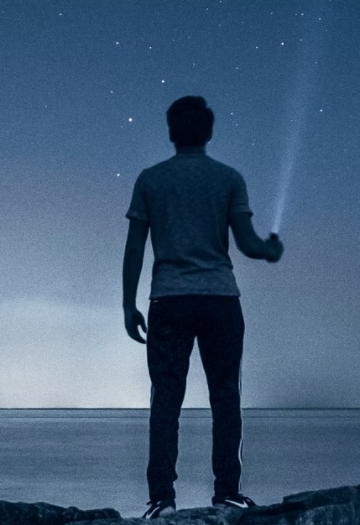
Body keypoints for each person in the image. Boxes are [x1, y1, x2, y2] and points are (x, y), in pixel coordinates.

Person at [122, 96, 283, 518]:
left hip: (169, 300)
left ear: (172, 132)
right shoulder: (228, 178)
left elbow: (135, 247)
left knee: (166, 400)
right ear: (209, 133)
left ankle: (161, 499)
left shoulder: (151, 179)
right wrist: (271, 250)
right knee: (225, 396)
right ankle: (226, 492)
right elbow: (247, 244)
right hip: (219, 300)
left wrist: (127, 304)